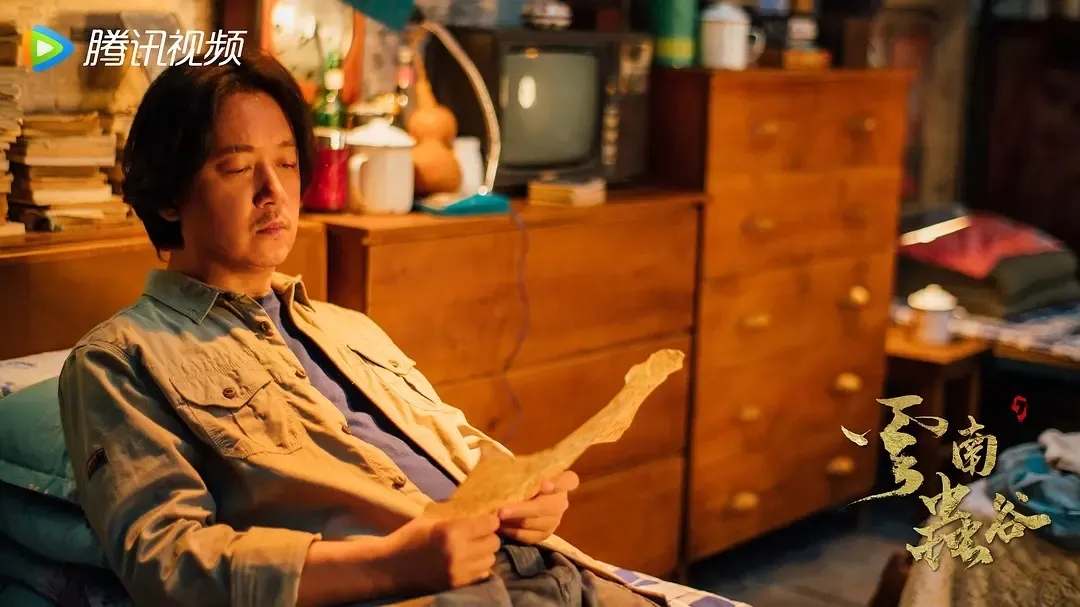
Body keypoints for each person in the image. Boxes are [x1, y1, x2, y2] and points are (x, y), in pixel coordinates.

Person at [56, 54, 666, 607]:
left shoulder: (349, 330)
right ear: (168, 197)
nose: (275, 192)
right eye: (238, 168)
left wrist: (531, 497)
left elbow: (456, 443)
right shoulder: (120, 360)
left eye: (287, 163)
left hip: (552, 572)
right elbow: (167, 563)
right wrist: (393, 564)